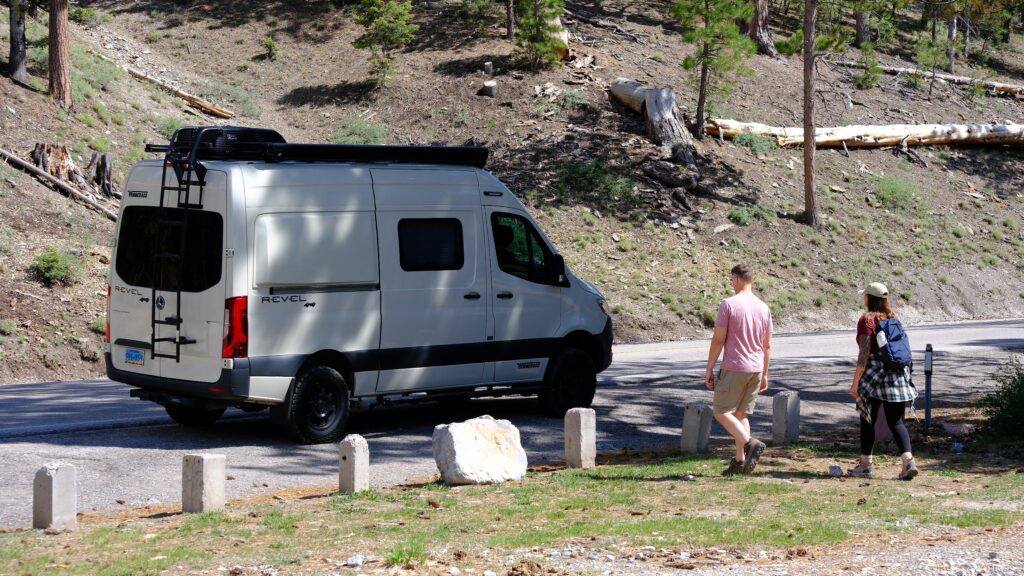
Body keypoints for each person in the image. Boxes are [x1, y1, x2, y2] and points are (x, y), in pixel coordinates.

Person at [705, 263, 773, 475]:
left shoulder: (729, 304)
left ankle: (749, 443)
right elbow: (767, 345)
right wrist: (765, 373)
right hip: (756, 367)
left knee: (721, 411)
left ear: (735, 278)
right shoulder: (764, 307)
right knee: (741, 414)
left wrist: (709, 368)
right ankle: (740, 461)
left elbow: (718, 339)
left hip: (735, 366)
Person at [848, 282, 919, 481]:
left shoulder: (866, 320)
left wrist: (855, 382)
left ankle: (866, 465)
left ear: (869, 298)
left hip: (874, 376)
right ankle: (908, 462)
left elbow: (864, 353)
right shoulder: (893, 317)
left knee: (867, 419)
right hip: (896, 375)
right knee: (896, 421)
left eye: (865, 296)